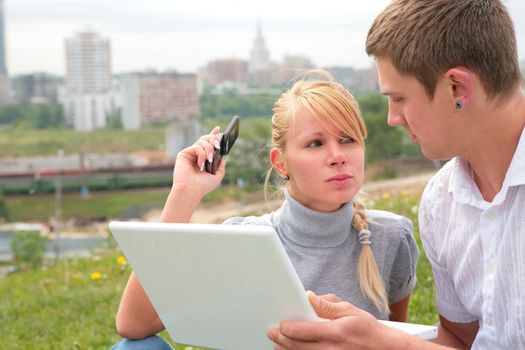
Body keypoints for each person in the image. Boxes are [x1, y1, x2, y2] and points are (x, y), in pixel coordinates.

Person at [267, 0, 525, 349]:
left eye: (399, 98)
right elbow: (462, 342)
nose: (392, 118)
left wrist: (382, 343)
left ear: (457, 88)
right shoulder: (441, 201)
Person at [111, 73, 420, 349]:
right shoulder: (243, 239)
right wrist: (184, 193)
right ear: (280, 162)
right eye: (315, 143)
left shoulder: (391, 237)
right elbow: (134, 327)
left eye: (348, 140)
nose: (337, 156)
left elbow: (395, 339)